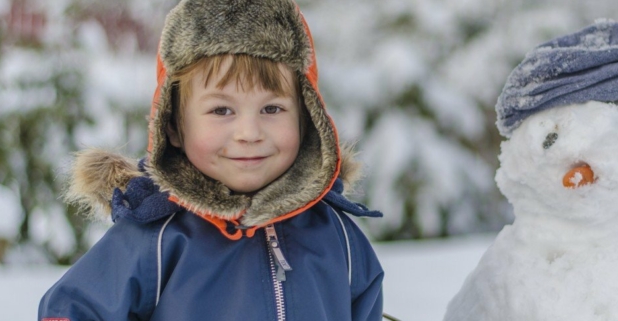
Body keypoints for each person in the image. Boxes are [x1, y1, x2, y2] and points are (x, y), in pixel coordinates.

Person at [38, 0, 384, 320]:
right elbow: (71, 310)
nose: (249, 132)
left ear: (306, 119)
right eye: (221, 110)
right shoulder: (157, 239)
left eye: (272, 108)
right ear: (173, 126)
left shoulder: (337, 236)